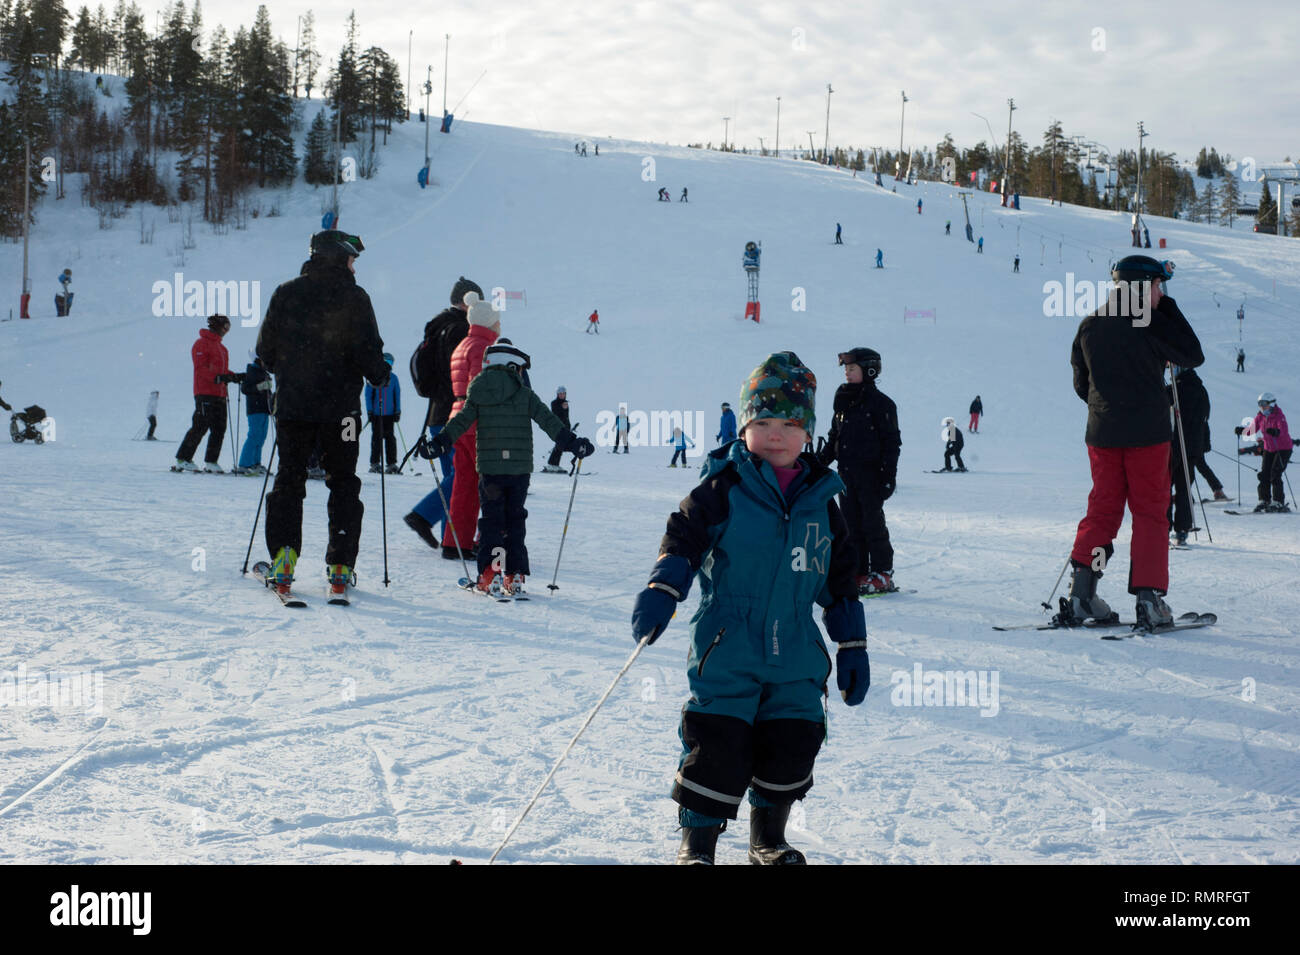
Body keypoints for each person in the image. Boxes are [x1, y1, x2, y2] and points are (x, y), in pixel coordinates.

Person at [631, 351, 869, 865]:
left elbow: (841, 580)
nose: (775, 434)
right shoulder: (724, 487)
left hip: (797, 653)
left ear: (808, 431)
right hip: (728, 643)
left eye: (789, 422)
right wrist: (663, 588)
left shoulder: (823, 503)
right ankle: (697, 845)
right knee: (717, 741)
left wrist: (851, 644)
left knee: (794, 738)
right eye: (762, 422)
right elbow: (685, 536)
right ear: (744, 428)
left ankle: (769, 838)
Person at [1065, 255, 1204, 630]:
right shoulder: (1150, 322)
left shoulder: (1091, 324)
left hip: (1103, 434)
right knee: (1149, 514)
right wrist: (1168, 309)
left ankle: (1083, 590)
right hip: (1147, 436)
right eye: (1159, 287)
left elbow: (1082, 383)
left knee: (1103, 511)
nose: (1161, 294)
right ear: (1142, 287)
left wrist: (1108, 408)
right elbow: (1193, 354)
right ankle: (1148, 598)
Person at [256, 229, 390, 599]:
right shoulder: (355, 297)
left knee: (289, 478)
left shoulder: (286, 293)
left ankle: (283, 556)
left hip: (294, 409)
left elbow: (265, 351)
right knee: (344, 481)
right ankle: (341, 565)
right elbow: (369, 351)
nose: (354, 266)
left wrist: (292, 368)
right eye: (351, 259)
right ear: (337, 257)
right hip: (342, 412)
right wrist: (380, 373)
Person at [424, 340, 594, 594]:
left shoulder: (478, 391)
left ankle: (491, 574)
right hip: (519, 470)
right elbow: (550, 423)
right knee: (515, 520)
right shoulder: (525, 394)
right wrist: (574, 444)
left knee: (493, 520)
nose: (522, 374)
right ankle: (514, 576)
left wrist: (440, 443)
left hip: (491, 470)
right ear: (511, 366)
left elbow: (461, 422)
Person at [405, 276, 482, 553]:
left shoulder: (437, 328)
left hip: (438, 413)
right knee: (464, 476)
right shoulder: (461, 330)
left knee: (457, 475)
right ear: (467, 302)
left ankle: (453, 540)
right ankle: (424, 515)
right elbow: (464, 376)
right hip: (456, 413)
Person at [818, 347, 900, 595]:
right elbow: (835, 437)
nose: (847, 373)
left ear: (869, 370)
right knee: (850, 526)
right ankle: (859, 571)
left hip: (871, 476)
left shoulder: (882, 404)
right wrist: (818, 464)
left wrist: (888, 477)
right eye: (846, 369)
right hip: (846, 476)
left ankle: (883, 573)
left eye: (852, 369)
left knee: (872, 524)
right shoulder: (843, 400)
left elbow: (891, 443)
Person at [440, 290, 500, 556]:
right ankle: (486, 541)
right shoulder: (482, 347)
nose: (500, 325)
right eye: (497, 321)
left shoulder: (463, 344)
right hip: (477, 422)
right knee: (489, 485)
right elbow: (481, 386)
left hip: (459, 416)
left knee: (463, 485)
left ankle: (454, 543)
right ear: (488, 322)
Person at [175, 314, 240, 472]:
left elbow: (221, 371)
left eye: (228, 328)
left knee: (219, 428)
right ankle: (183, 458)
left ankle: (211, 461)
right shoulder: (201, 344)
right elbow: (201, 368)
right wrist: (218, 377)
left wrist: (232, 376)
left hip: (220, 394)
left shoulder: (222, 348)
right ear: (216, 326)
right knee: (200, 426)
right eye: (225, 327)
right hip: (205, 392)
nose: (226, 331)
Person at [1166, 366, 1210, 543]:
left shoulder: (1176, 390)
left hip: (1175, 445)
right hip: (1192, 449)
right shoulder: (1201, 389)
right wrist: (1203, 444)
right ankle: (1182, 529)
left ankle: (1164, 527)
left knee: (1165, 488)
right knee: (1184, 489)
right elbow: (1205, 419)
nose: (1171, 372)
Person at [1236, 393, 1292, 512]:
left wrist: (1276, 432)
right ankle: (1264, 500)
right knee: (1264, 474)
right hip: (1268, 448)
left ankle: (1278, 502)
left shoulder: (1279, 415)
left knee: (1275, 473)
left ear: (1271, 403)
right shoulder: (1260, 416)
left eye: (1264, 404)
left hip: (1282, 449)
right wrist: (1242, 431)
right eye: (1260, 404)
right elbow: (1252, 429)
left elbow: (1283, 430)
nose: (1262, 407)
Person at [364, 352, 401, 474]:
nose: (387, 364)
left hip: (389, 414)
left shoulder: (394, 378)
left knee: (390, 438)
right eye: (385, 361)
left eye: (390, 362)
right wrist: (369, 410)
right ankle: (375, 463)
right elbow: (368, 395)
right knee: (377, 438)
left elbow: (397, 395)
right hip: (376, 414)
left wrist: (397, 411)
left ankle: (391, 464)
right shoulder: (373, 377)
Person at [236, 357, 273, 473]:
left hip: (264, 408)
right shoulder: (252, 371)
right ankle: (244, 464)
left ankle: (256, 463)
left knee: (261, 436)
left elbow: (267, 391)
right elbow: (245, 389)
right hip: (255, 408)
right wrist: (260, 387)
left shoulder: (264, 372)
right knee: (254, 435)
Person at [542, 386, 571, 473]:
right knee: (559, 446)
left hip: (565, 428)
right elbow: (555, 414)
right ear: (557, 394)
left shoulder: (565, 403)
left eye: (563, 393)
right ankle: (552, 464)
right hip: (557, 428)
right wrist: (562, 408)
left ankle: (553, 464)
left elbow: (566, 417)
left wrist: (568, 427)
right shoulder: (554, 403)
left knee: (560, 447)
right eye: (560, 394)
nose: (562, 395)